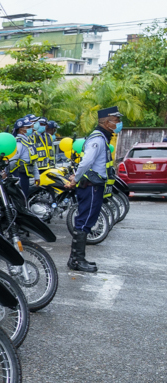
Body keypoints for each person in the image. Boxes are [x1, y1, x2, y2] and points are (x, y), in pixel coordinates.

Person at [67, 106, 121, 272]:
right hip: (90, 187)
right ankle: (76, 261)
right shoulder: (97, 139)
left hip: (94, 186)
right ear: (106, 122)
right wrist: (75, 180)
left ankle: (76, 259)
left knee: (87, 221)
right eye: (116, 120)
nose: (118, 123)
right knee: (84, 222)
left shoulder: (102, 138)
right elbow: (86, 162)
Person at [11, 117, 38, 200]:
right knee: (21, 199)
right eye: (28, 127)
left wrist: (37, 176)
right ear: (21, 130)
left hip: (26, 175)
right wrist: (8, 173)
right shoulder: (18, 143)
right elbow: (13, 161)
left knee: (25, 197)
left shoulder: (28, 141)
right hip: (19, 175)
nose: (31, 129)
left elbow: (33, 161)